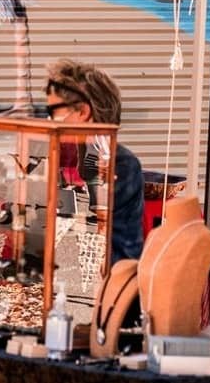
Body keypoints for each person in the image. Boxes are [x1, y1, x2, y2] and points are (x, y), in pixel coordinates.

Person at [44, 59, 146, 266]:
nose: (49, 120)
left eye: (54, 111)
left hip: (108, 283)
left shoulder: (120, 164)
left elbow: (92, 228)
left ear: (82, 112)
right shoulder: (64, 154)